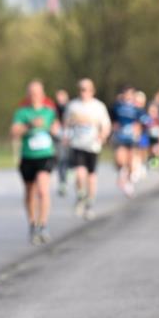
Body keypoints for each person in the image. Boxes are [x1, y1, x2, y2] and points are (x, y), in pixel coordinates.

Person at [11, 80, 60, 244]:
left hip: (45, 155)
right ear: (28, 95)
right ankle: (32, 223)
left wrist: (55, 130)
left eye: (37, 93)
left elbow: (58, 129)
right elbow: (14, 133)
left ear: (42, 94)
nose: (34, 96)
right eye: (31, 93)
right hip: (27, 156)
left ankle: (43, 224)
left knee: (43, 190)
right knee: (29, 192)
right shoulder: (22, 112)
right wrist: (30, 124)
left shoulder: (49, 111)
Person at [62, 78, 111, 220]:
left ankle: (90, 204)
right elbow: (66, 123)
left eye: (86, 89)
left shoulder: (98, 106)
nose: (83, 92)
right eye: (81, 89)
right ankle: (80, 195)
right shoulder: (73, 106)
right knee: (79, 173)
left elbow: (105, 125)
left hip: (93, 146)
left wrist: (103, 135)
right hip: (77, 144)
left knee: (91, 177)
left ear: (92, 91)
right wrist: (66, 136)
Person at [111, 86, 144, 197]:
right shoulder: (117, 107)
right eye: (126, 94)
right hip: (120, 136)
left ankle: (129, 181)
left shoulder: (137, 109)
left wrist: (138, 133)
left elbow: (141, 122)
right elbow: (113, 121)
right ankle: (122, 174)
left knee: (130, 160)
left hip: (132, 138)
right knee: (120, 159)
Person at [54, 89, 70, 196]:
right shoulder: (54, 108)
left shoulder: (71, 107)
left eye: (62, 96)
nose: (60, 98)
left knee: (68, 160)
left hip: (71, 137)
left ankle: (67, 177)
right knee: (61, 159)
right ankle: (62, 181)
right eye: (58, 96)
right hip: (59, 137)